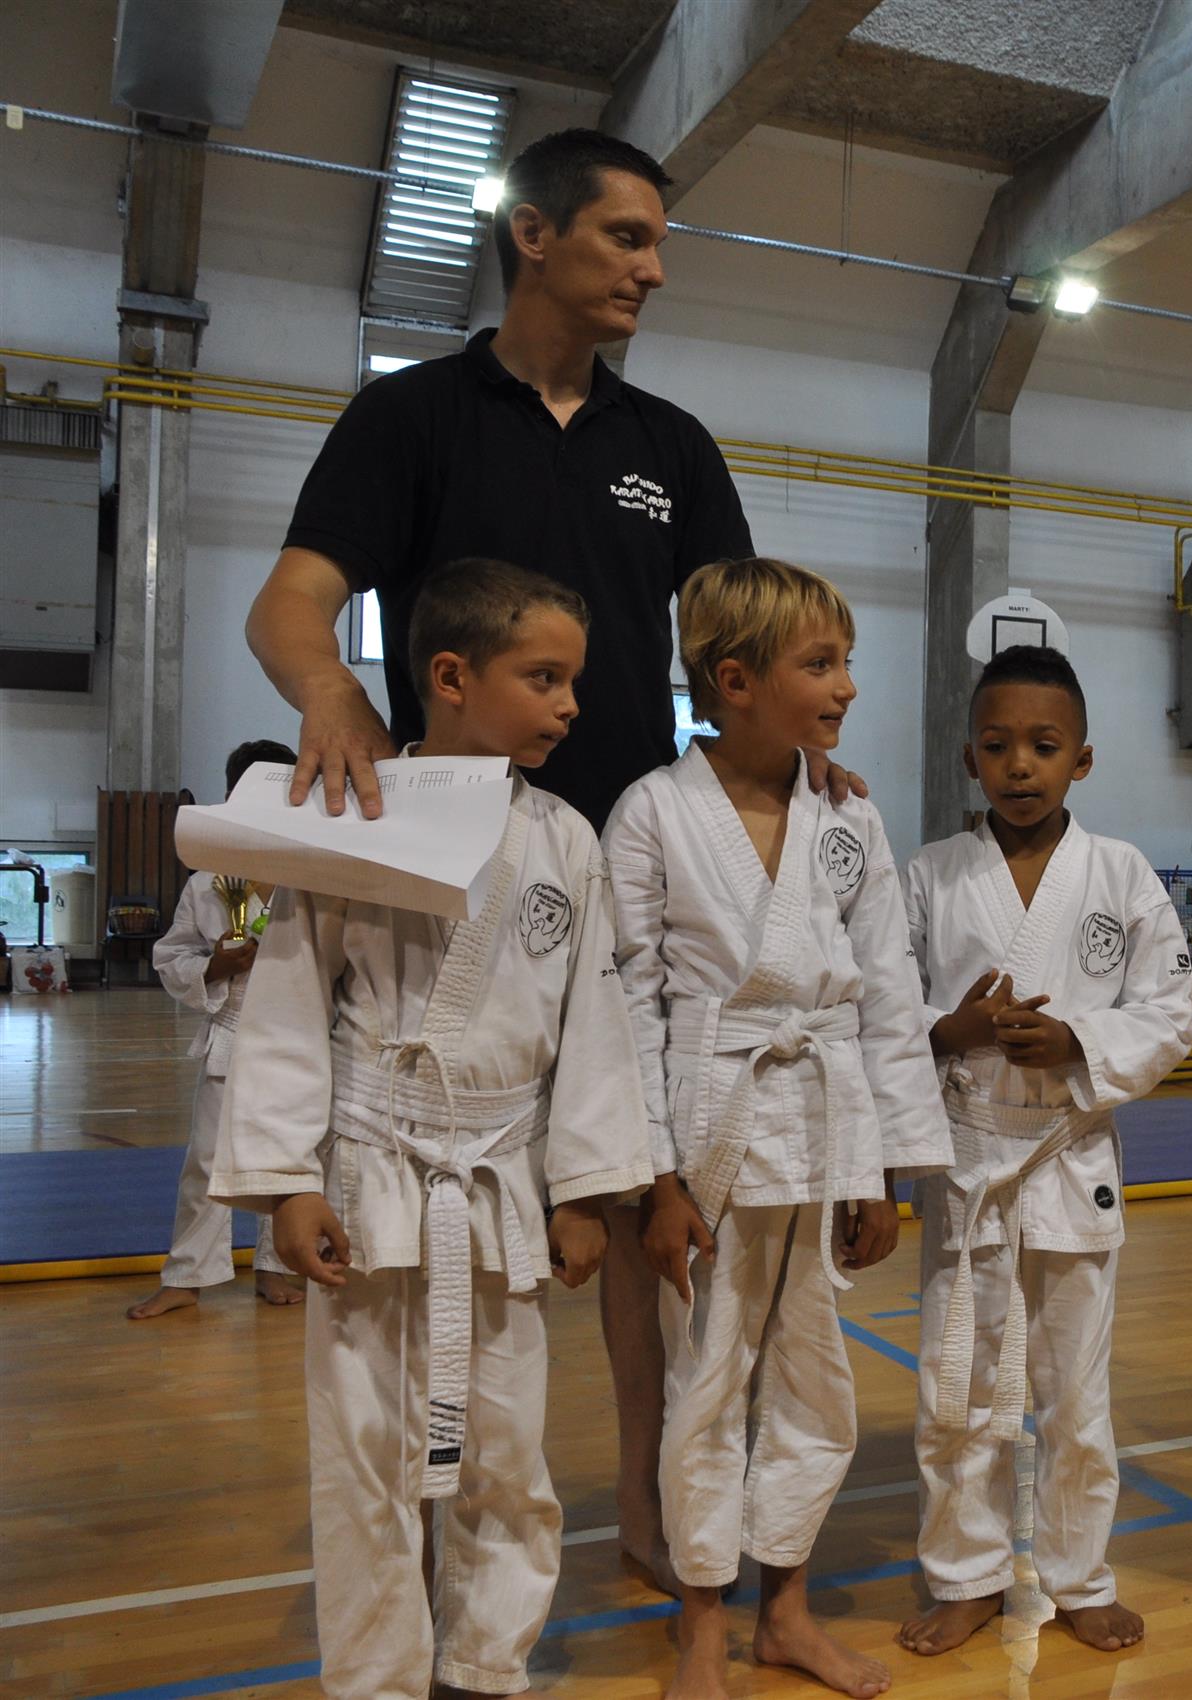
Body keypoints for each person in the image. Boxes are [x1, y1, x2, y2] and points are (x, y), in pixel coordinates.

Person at [241, 126, 856, 1591]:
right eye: (626, 237)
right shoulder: (410, 416)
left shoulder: (670, 446)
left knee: (641, 1200)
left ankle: (656, 1511)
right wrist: (334, 697)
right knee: (421, 1196)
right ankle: (412, 1543)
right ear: (534, 233)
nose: (653, 269)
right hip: (451, 865)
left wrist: (801, 742)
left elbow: (745, 639)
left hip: (640, 858)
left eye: (658, 244)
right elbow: (291, 602)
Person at [211, 559, 657, 1699]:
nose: (570, 705)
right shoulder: (352, 810)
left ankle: (486, 1663)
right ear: (451, 677)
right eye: (544, 678)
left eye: (574, 681)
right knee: (363, 1452)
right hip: (371, 1171)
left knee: (508, 1449)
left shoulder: (565, 839)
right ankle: (376, 1677)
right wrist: (285, 1180)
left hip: (500, 1177)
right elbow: (288, 1001)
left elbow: (594, 1023)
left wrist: (586, 1190)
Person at [602, 558, 948, 1700]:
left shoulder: (847, 813)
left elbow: (888, 989)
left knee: (814, 1379)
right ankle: (702, 1620)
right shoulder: (653, 810)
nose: (847, 685)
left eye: (846, 660)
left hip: (825, 1114)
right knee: (705, 1380)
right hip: (709, 1122)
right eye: (822, 663)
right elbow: (630, 1002)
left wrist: (884, 1168)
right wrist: (656, 1178)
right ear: (734, 679)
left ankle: (784, 1611)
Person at [896, 645, 1192, 1658]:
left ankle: (1079, 1576)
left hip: (1071, 1156)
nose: (1019, 765)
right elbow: (884, 1008)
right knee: (958, 1382)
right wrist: (950, 1030)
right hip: (970, 1162)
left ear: (1083, 759)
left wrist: (1077, 1042)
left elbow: (1170, 1014)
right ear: (969, 758)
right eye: (997, 745)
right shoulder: (931, 874)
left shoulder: (1122, 875)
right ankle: (965, 1573)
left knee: (1076, 1392)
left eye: (1043, 745)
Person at [130, 738, 302, 1319]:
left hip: (302, 1035)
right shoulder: (209, 882)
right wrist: (216, 967)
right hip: (233, 1030)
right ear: (232, 796)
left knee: (291, 1156)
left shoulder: (316, 875)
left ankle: (277, 1266)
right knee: (207, 1159)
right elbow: (171, 955)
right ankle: (187, 1276)